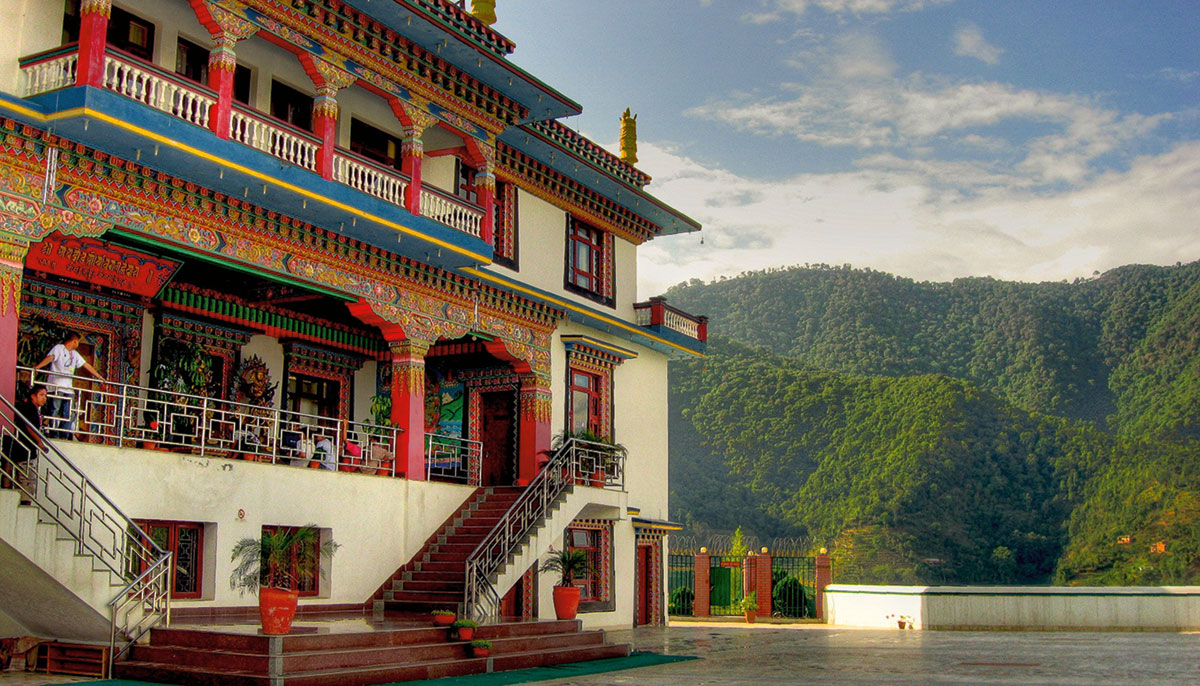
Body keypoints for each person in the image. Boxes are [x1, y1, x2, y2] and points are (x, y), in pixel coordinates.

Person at [31, 332, 106, 439]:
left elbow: (86, 365)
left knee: (69, 413)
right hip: (56, 385)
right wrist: (37, 367)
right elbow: (50, 358)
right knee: (55, 411)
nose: (78, 344)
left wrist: (99, 377)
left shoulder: (74, 354)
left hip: (68, 389)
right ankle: (54, 434)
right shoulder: (59, 348)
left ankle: (64, 435)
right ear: (74, 341)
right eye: (78, 342)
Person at [2, 384, 47, 502]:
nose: (44, 398)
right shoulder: (29, 408)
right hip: (25, 450)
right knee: (27, 482)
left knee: (23, 481)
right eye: (41, 395)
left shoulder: (32, 409)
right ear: (33, 396)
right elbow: (29, 426)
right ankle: (24, 506)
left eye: (45, 396)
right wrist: (39, 442)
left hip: (24, 449)